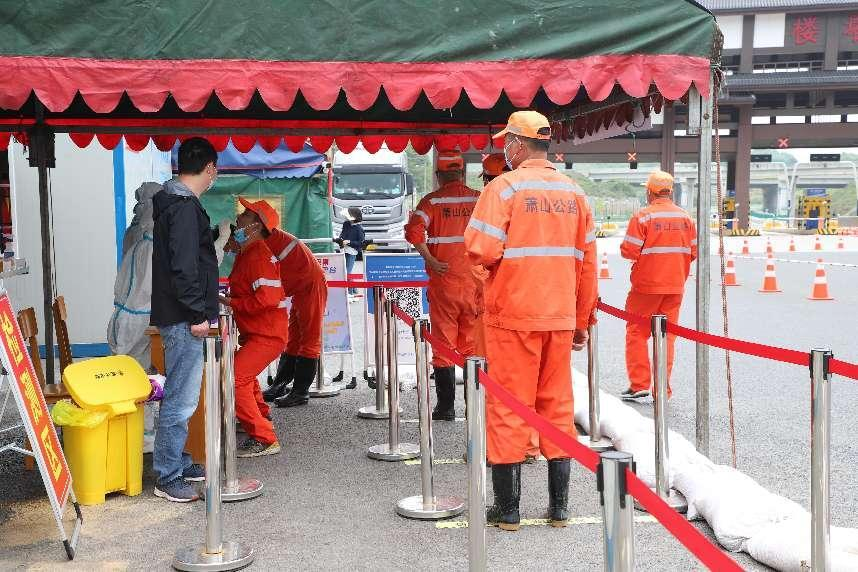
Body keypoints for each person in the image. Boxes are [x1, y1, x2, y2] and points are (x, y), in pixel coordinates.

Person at [464, 111, 598, 530]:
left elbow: (481, 250)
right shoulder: (575, 193)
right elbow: (588, 264)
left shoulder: (504, 188)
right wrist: (581, 320)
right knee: (557, 405)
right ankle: (559, 508)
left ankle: (508, 510)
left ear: (518, 145)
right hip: (559, 316)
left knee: (509, 405)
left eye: (507, 141)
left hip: (513, 316)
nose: (505, 148)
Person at [150, 137, 220, 503]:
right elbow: (185, 266)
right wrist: (197, 314)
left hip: (178, 314)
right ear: (209, 168)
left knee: (181, 395)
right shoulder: (183, 207)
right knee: (181, 398)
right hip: (183, 318)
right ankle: (168, 474)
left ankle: (177, 460)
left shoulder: (174, 203)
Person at [404, 151, 481, 421]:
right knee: (472, 347)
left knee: (444, 346)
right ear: (462, 173)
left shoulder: (432, 201)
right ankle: (475, 406)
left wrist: (431, 260)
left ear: (438, 175)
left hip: (445, 283)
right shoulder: (478, 199)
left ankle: (446, 408)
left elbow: (413, 231)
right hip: (474, 284)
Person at [619, 170, 697, 401]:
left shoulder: (643, 217)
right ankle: (662, 388)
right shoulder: (686, 218)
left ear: (649, 192)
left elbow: (628, 251)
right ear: (669, 192)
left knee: (637, 332)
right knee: (667, 336)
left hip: (645, 287)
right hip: (675, 286)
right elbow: (693, 252)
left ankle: (639, 384)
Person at [220, 198, 285, 457]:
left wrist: (231, 302)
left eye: (246, 214)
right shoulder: (248, 253)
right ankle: (261, 418)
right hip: (260, 333)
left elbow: (267, 299)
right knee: (243, 376)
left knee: (235, 379)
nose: (239, 217)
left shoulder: (257, 255)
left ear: (256, 226)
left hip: (267, 335)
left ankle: (265, 438)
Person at [263, 224, 329, 406]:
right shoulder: (268, 239)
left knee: (309, 340)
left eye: (243, 218)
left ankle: (300, 392)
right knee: (293, 339)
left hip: (310, 285)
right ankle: (280, 385)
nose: (239, 222)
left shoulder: (267, 241)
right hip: (302, 287)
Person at [335, 207, 365, 297]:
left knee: (347, 272)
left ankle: (350, 293)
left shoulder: (359, 228)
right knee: (345, 271)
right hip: (343, 250)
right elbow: (342, 234)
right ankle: (354, 290)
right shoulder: (346, 224)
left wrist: (349, 242)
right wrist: (340, 239)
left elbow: (361, 243)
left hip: (352, 252)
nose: (346, 217)